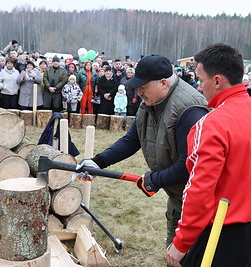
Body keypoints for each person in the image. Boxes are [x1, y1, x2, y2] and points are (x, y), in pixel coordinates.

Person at [165, 43, 251, 267]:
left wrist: (181, 241)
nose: (200, 88)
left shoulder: (211, 124)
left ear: (218, 80)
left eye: (202, 80)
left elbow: (199, 189)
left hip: (225, 232)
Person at [75, 54, 208, 255]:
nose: (138, 92)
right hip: (178, 198)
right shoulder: (149, 102)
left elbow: (189, 165)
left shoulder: (189, 109)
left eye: (143, 87)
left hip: (197, 204)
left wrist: (154, 179)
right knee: (175, 257)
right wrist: (97, 162)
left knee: (191, 257)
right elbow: (132, 140)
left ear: (163, 83)